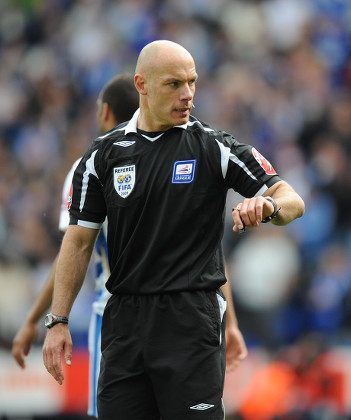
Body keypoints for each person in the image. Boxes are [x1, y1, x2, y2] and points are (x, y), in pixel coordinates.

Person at [43, 40, 305, 420]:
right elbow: (79, 242)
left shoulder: (213, 148)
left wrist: (269, 206)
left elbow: (292, 200)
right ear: (142, 84)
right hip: (125, 324)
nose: (188, 96)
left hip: (190, 318)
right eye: (174, 84)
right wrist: (58, 321)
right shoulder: (102, 156)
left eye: (192, 82)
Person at [12, 74, 140, 418]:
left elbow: (74, 250)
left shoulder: (90, 164)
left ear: (105, 112)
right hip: (178, 311)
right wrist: (229, 324)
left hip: (115, 314)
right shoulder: (176, 156)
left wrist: (35, 319)